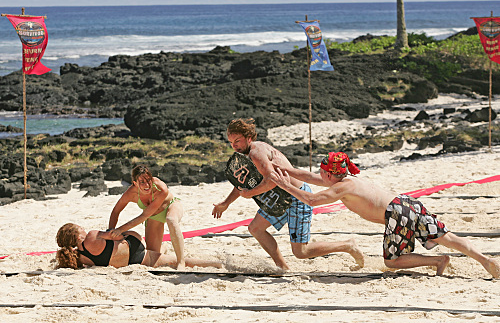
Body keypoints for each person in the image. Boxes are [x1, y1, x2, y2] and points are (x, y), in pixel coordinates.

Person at [269, 151, 500, 278]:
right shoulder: (346, 179)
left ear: (329, 173)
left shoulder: (341, 188)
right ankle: (485, 260)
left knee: (391, 262)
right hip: (409, 203)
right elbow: (307, 176)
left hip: (396, 214)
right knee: (448, 238)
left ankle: (438, 260)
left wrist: (283, 184)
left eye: (321, 171)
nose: (318, 174)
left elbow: (310, 199)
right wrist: (283, 169)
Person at [212, 118, 364, 271]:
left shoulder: (256, 153)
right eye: (231, 142)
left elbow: (272, 181)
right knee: (255, 229)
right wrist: (226, 203)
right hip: (279, 199)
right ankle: (282, 267)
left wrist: (249, 193)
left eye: (237, 141)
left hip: (297, 197)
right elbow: (242, 183)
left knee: (301, 252)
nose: (234, 146)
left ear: (248, 138)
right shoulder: (246, 154)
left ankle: (347, 245)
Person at [108, 165, 186, 269]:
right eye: (142, 182)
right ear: (135, 183)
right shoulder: (131, 193)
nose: (147, 184)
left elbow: (144, 216)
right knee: (153, 256)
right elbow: (116, 211)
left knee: (171, 220)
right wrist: (110, 231)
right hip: (154, 217)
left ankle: (181, 262)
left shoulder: (161, 188)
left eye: (149, 180)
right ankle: (164, 248)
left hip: (171, 206)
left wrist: (120, 229)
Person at [56, 223, 222, 270]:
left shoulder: (80, 257)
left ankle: (162, 248)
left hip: (133, 261)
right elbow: (118, 235)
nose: (84, 228)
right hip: (133, 247)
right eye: (80, 228)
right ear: (78, 236)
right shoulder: (92, 235)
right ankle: (216, 265)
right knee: (178, 260)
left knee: (163, 258)